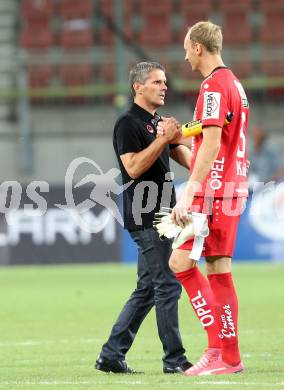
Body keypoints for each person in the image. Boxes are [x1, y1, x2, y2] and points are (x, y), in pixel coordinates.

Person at [95, 61, 192, 374]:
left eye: (164, 82)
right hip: (145, 215)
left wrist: (206, 145)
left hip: (163, 215)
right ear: (138, 87)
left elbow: (187, 157)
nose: (164, 87)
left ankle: (111, 355)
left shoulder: (158, 123)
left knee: (149, 288)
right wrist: (165, 139)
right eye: (156, 82)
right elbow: (133, 167)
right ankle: (174, 361)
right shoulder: (127, 124)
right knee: (167, 285)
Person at [167, 21, 250, 376]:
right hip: (231, 185)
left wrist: (190, 190)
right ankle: (223, 352)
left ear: (198, 47)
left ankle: (223, 353)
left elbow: (214, 142)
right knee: (201, 266)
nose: (185, 56)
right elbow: (214, 130)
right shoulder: (233, 84)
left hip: (216, 190)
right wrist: (182, 131)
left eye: (187, 48)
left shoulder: (213, 86)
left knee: (194, 265)